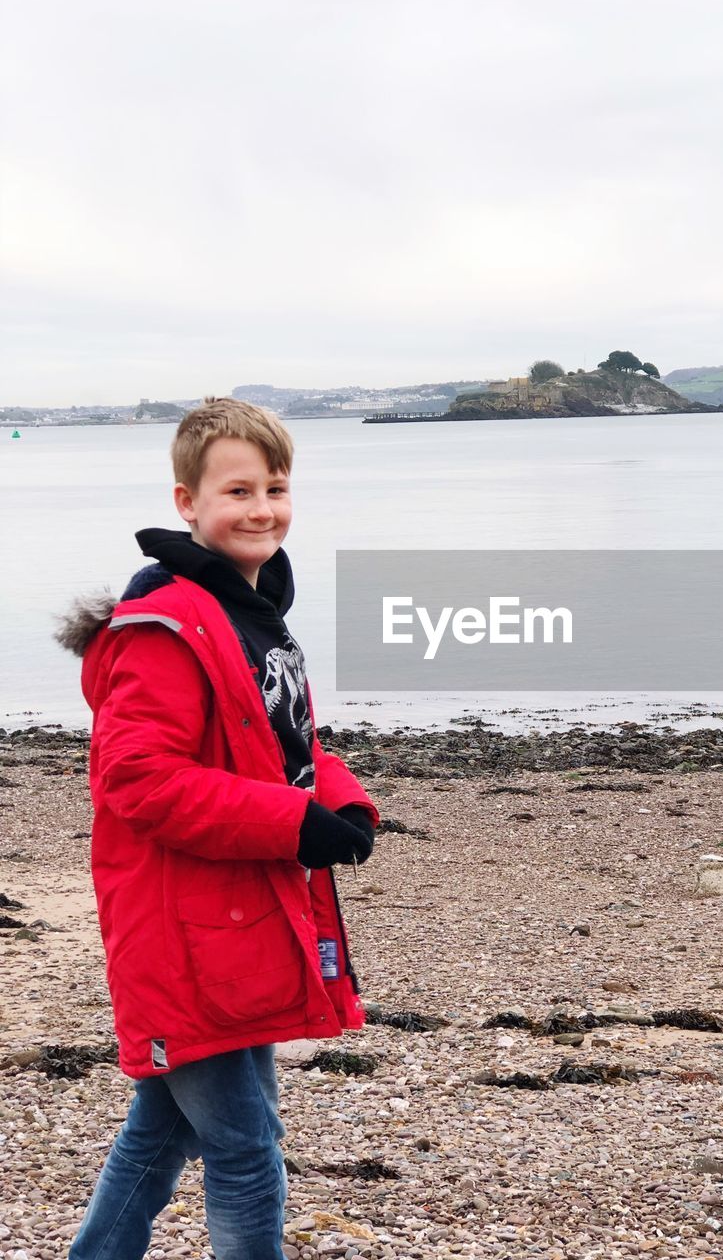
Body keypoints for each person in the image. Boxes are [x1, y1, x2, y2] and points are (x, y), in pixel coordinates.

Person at [55, 398, 380, 1260]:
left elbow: (276, 739)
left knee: (161, 1137)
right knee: (245, 1152)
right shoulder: (166, 629)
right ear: (187, 502)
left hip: (238, 914)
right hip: (186, 926)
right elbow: (139, 781)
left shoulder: (248, 610)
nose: (262, 507)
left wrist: (337, 802)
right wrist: (291, 824)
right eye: (238, 489)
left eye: (275, 486)